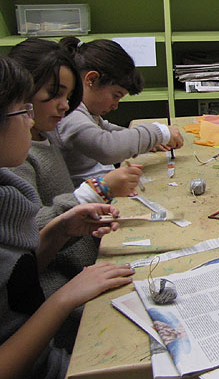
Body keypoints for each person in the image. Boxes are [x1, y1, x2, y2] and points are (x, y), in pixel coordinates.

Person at [0, 55, 134, 379]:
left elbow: (16, 280)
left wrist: (60, 230)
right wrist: (64, 298)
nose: (30, 121)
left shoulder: (8, 193)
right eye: (23, 111)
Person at [51, 37, 184, 186]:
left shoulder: (85, 111)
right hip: (87, 195)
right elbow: (107, 148)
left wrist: (146, 142)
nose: (115, 106)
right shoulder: (70, 113)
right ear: (92, 79)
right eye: (115, 95)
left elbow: (106, 129)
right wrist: (159, 133)